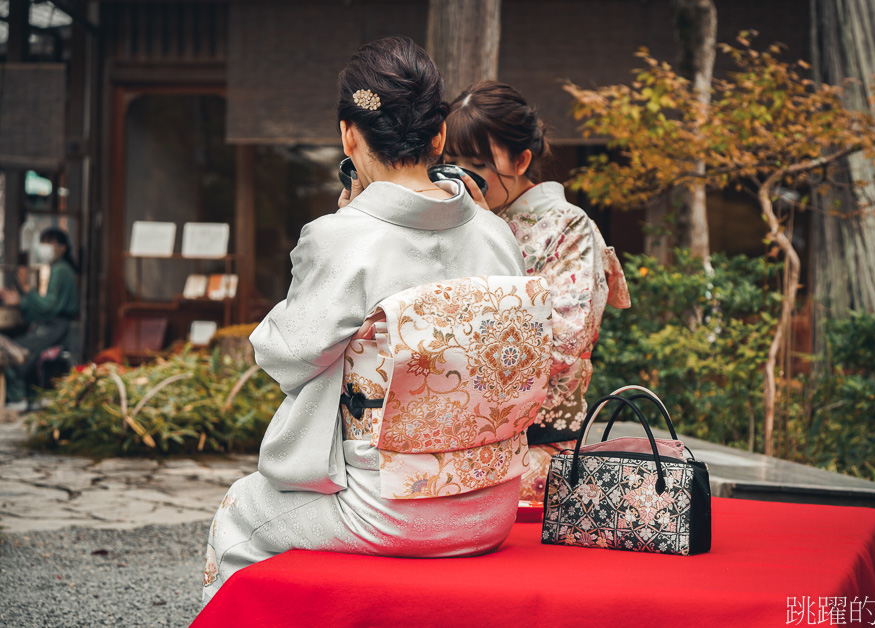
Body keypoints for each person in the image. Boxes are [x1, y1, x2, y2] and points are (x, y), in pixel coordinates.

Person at [201, 37, 536, 606]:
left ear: (348, 135)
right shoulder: (494, 233)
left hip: (390, 509)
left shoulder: (342, 238)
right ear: (438, 136)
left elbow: (287, 357)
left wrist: (341, 225)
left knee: (237, 513)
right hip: (493, 500)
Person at [444, 80, 632, 501]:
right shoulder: (454, 220)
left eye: (475, 163)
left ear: (522, 159)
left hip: (538, 447)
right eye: (451, 161)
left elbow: (564, 344)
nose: (462, 176)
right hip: (456, 442)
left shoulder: (569, 227)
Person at [0, 227, 79, 408]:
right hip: (57, 327)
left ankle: (18, 397)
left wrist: (26, 291)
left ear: (63, 248)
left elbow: (48, 307)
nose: (45, 247)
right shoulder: (61, 269)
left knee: (17, 350)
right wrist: (23, 299)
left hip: (56, 328)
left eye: (50, 242)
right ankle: (26, 397)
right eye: (44, 242)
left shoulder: (60, 270)